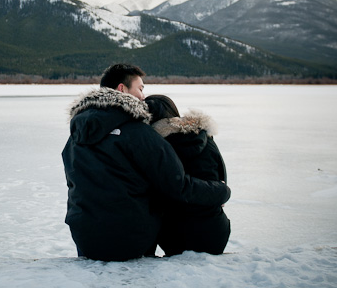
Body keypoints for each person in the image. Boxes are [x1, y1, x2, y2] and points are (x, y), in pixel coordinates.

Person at [61, 64, 231, 261]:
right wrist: (221, 191)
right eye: (140, 89)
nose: (143, 97)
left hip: (85, 240)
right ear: (122, 89)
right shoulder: (137, 132)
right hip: (129, 241)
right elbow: (177, 185)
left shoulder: (76, 134)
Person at [145, 94, 230, 256]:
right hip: (215, 235)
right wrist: (223, 192)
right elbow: (221, 173)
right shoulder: (204, 136)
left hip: (174, 239)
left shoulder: (156, 146)